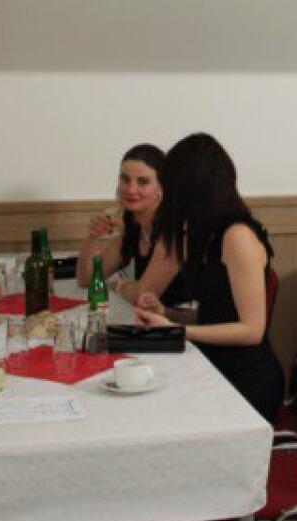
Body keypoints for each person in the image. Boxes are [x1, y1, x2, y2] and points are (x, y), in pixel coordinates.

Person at [133, 133, 284, 421]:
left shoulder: (237, 237)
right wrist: (167, 314)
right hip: (214, 361)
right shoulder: (207, 233)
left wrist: (176, 331)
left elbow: (252, 331)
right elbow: (218, 312)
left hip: (245, 379)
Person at [76, 143, 184, 305]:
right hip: (153, 318)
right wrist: (92, 238)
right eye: (125, 179)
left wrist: (119, 286)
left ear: (161, 188)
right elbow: (86, 279)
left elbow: (144, 296)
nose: (131, 189)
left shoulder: (172, 231)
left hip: (186, 318)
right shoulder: (134, 228)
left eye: (143, 182)